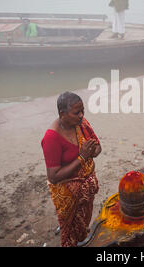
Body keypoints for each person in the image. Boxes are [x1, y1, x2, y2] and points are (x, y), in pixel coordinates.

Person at [41, 92, 101, 247]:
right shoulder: (51, 138)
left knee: (83, 220)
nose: (81, 115)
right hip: (67, 194)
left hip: (86, 189)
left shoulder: (82, 124)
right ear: (62, 113)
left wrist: (93, 151)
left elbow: (98, 147)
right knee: (69, 230)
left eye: (83, 111)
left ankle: (81, 236)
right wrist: (82, 157)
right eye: (76, 113)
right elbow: (53, 176)